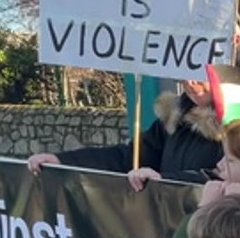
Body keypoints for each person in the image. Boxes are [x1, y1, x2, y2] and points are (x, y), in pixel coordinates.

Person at [25, 78, 223, 190]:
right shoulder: (174, 119)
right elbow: (128, 157)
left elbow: (231, 177)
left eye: (201, 70)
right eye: (184, 71)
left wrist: (165, 180)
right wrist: (63, 161)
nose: (190, 82)